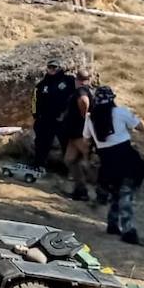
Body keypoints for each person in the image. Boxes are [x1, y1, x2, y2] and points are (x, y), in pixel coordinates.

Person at [83, 86, 144, 245]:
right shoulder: (121, 112)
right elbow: (141, 127)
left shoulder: (90, 117)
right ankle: (128, 230)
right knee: (126, 193)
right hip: (125, 156)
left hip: (107, 159)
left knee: (116, 191)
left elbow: (86, 138)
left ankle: (112, 223)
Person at [31, 59, 78, 173]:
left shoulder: (68, 81)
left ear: (59, 68)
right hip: (46, 119)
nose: (52, 69)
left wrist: (69, 113)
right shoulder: (42, 84)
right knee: (42, 143)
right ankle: (39, 165)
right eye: (50, 67)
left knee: (67, 144)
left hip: (63, 119)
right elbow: (34, 101)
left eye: (54, 67)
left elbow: (76, 94)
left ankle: (71, 170)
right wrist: (36, 115)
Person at [60, 70, 95, 200]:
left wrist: (83, 116)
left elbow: (84, 101)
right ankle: (81, 191)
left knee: (90, 162)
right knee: (70, 160)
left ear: (78, 80)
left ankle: (103, 191)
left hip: (79, 133)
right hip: (74, 133)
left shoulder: (81, 90)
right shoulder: (86, 90)